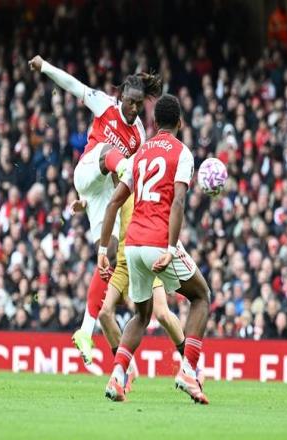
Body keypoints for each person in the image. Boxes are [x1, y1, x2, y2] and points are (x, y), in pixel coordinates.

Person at [28, 55, 184, 366]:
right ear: (122, 96)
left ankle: (85, 331)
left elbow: (121, 185)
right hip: (88, 169)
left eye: (139, 103)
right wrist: (44, 66)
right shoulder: (105, 105)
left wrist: (88, 202)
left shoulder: (139, 135)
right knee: (111, 154)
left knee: (109, 253)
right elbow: (73, 86)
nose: (134, 108)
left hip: (101, 192)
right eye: (130, 101)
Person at [98, 94, 211, 404]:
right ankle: (188, 370)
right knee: (201, 296)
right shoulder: (182, 153)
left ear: (154, 122)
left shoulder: (139, 154)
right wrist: (171, 248)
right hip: (158, 241)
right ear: (180, 123)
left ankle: (117, 376)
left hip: (132, 245)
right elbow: (178, 202)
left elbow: (114, 202)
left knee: (141, 315)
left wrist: (102, 250)